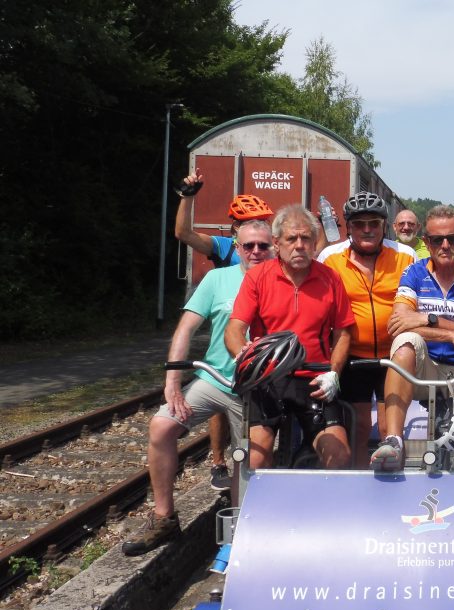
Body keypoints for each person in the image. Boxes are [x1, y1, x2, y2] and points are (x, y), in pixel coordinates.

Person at [122, 220, 274, 556]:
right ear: (237, 248)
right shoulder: (218, 279)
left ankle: (248, 532)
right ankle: (164, 518)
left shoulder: (282, 279)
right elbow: (186, 328)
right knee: (161, 427)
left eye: (263, 246)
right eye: (248, 246)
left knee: (251, 457)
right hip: (215, 379)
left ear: (273, 247)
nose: (255, 252)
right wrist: (173, 381)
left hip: (258, 387)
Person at [371, 204, 454, 471]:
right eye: (437, 240)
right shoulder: (414, 272)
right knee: (405, 343)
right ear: (426, 242)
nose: (445, 246)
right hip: (424, 368)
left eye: (453, 239)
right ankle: (394, 441)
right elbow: (398, 325)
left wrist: (427, 318)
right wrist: (451, 335)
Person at [225, 205, 356, 471]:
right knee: (252, 459)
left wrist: (334, 373)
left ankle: (323, 498)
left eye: (306, 238)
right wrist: (244, 357)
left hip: (315, 378)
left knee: (339, 455)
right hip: (268, 378)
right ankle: (250, 500)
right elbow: (235, 329)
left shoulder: (330, 278)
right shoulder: (257, 277)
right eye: (291, 239)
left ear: (314, 243)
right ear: (276, 243)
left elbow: (343, 332)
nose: (299, 246)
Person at [171, 171, 274, 490]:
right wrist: (188, 196)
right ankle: (218, 462)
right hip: (227, 331)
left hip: (256, 343)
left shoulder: (268, 251)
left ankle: (252, 478)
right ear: (235, 232)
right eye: (247, 224)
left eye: (260, 222)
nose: (254, 245)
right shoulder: (226, 248)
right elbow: (183, 233)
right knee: (218, 391)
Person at [319, 192, 415, 468]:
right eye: (359, 224)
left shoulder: (404, 255)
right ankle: (360, 483)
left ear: (384, 226)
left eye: (374, 223)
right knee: (359, 427)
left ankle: (395, 482)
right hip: (352, 355)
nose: (367, 229)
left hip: (393, 355)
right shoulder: (330, 257)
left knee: (389, 429)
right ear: (348, 227)